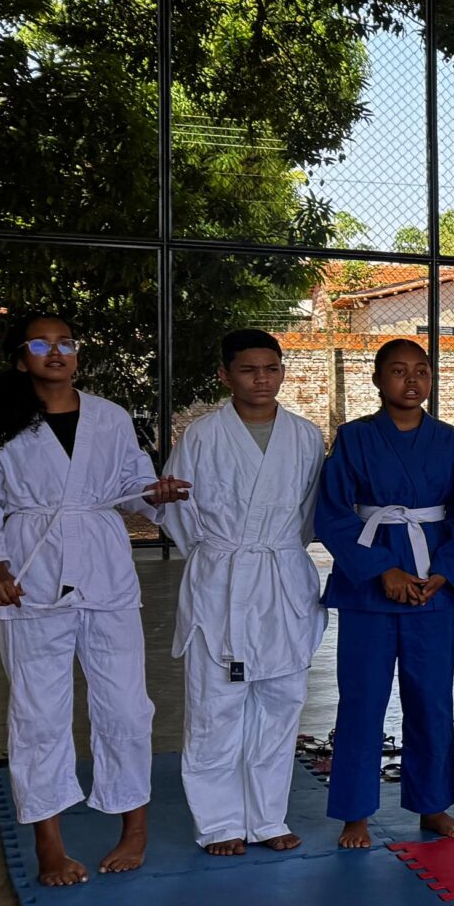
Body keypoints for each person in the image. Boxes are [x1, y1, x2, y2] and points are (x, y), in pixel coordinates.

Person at [0, 311, 185, 884]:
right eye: (41, 344)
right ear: (20, 359)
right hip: (30, 576)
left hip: (105, 572)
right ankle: (49, 843)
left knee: (126, 707)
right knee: (38, 713)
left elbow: (131, 487)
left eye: (66, 343)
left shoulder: (109, 416)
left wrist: (155, 493)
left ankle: (134, 828)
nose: (56, 352)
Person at [154, 329, 326, 855]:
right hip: (222, 578)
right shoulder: (202, 435)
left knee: (281, 701)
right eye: (249, 370)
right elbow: (177, 512)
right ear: (225, 376)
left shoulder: (305, 436)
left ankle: (267, 818)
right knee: (216, 705)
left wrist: (276, 551)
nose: (262, 380)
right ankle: (219, 823)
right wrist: (217, 555)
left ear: (283, 372)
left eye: (271, 369)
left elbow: (310, 515)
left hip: (282, 576)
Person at [315, 338, 454, 847]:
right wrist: (381, 570)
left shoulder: (453, 441)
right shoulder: (354, 437)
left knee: (431, 700)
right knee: (362, 699)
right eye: (399, 371)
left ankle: (433, 806)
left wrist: (445, 573)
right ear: (377, 379)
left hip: (431, 588)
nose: (412, 381)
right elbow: (333, 514)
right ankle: (355, 813)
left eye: (421, 371)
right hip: (368, 589)